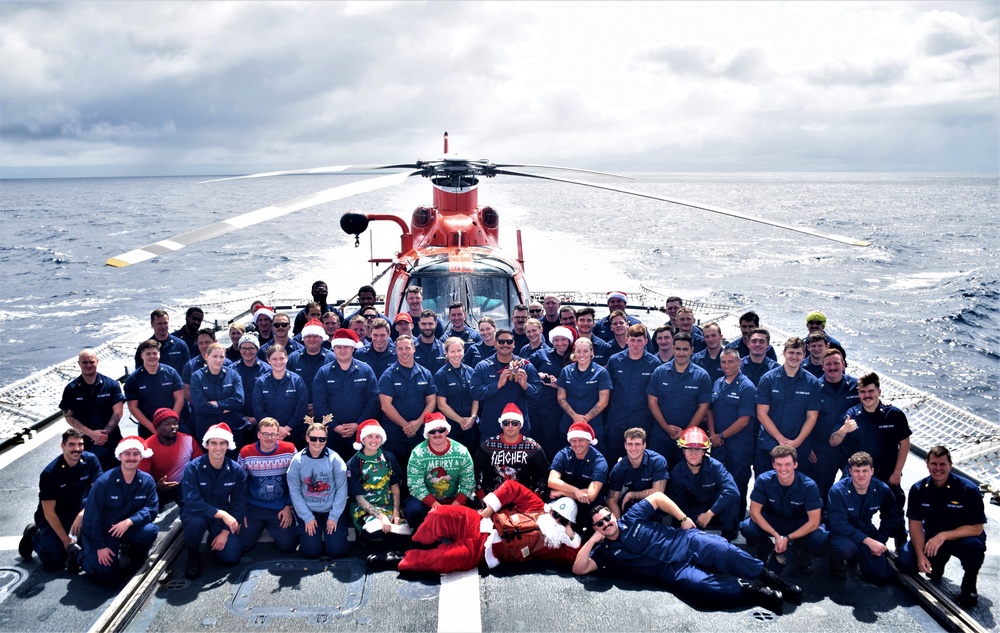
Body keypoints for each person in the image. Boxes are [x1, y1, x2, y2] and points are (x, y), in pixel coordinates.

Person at [573, 493, 801, 613]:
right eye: (599, 524)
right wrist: (593, 540)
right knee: (703, 589)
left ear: (613, 516)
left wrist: (683, 519)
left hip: (686, 541)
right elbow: (579, 568)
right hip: (672, 571)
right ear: (596, 528)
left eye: (606, 518)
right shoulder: (605, 553)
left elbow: (657, 498)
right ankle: (757, 593)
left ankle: (777, 582)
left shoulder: (631, 517)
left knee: (725, 550)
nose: (605, 524)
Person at [393, 480, 581, 574]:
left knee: (444, 560)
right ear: (551, 509)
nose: (556, 520)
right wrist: (490, 509)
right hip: (480, 521)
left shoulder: (557, 544)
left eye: (562, 520)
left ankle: (400, 559)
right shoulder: (537, 506)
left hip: (483, 551)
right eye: (556, 514)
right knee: (440, 514)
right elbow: (511, 487)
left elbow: (575, 558)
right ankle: (416, 543)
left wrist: (569, 532)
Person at [830, 372, 910, 550]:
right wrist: (844, 429)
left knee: (895, 511)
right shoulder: (851, 415)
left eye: (871, 391)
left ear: (879, 391)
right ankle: (851, 546)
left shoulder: (894, 414)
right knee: (847, 508)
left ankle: (900, 547)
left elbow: (904, 443)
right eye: (863, 392)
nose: (867, 395)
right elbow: (833, 441)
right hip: (857, 473)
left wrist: (897, 472)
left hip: (887, 472)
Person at [898, 446, 986, 608]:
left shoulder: (968, 490)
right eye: (934, 464)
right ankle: (938, 564)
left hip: (961, 538)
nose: (938, 468)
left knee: (974, 548)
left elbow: (977, 528)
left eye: (942, 464)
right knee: (905, 562)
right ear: (927, 464)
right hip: (932, 538)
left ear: (950, 465)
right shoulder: (918, 489)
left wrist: (943, 536)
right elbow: (915, 526)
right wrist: (920, 555)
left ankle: (969, 586)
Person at [19, 429, 101, 572]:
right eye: (71, 444)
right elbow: (49, 512)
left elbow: (98, 494)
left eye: (80, 444)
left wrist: (83, 514)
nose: (77, 449)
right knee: (54, 561)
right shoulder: (49, 473)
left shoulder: (91, 461)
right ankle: (33, 536)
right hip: (54, 516)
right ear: (62, 446)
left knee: (89, 547)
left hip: (78, 512)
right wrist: (65, 540)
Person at [80, 436, 159, 582]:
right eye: (127, 454)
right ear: (120, 456)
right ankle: (80, 556)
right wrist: (100, 546)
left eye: (136, 454)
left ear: (141, 456)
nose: (131, 458)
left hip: (126, 528)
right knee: (105, 574)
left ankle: (133, 553)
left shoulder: (147, 481)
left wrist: (130, 521)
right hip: (104, 532)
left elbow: (152, 508)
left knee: (150, 530)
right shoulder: (104, 482)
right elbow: (92, 517)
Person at [740, 445, 828, 575]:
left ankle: (797, 549)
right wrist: (775, 535)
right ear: (773, 465)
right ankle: (767, 546)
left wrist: (788, 538)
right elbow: (754, 513)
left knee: (820, 537)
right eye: (779, 464)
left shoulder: (809, 486)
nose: (783, 469)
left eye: (787, 464)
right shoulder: (764, 480)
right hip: (773, 521)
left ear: (795, 465)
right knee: (747, 527)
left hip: (798, 523)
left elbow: (814, 522)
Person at [180, 423, 247, 579]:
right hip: (197, 513)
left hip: (221, 517)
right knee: (196, 523)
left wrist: (225, 532)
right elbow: (192, 502)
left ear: (228, 445)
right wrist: (222, 514)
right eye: (214, 443)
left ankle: (215, 538)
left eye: (222, 443)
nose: (218, 447)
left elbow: (239, 504)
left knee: (230, 558)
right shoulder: (192, 468)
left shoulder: (236, 471)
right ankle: (193, 554)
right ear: (207, 445)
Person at [754, 337, 821, 480]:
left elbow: (812, 417)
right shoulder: (768, 379)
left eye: (798, 353)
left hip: (798, 448)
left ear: (804, 355)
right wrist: (780, 439)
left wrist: (796, 442)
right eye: (791, 352)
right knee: (764, 489)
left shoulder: (812, 383)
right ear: (783, 353)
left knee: (797, 493)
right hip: (769, 445)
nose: (794, 357)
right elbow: (761, 413)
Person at [826, 451, 900, 583]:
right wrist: (868, 541)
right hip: (842, 534)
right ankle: (839, 561)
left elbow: (891, 516)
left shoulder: (882, 489)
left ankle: (863, 556)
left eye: (865, 470)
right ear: (850, 471)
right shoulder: (837, 491)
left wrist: (881, 540)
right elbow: (839, 524)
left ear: (872, 471)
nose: (861, 475)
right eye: (857, 471)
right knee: (845, 548)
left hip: (866, 529)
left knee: (881, 576)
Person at [646, 332, 713, 469]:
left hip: (689, 440)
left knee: (683, 477)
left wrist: (686, 432)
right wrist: (666, 427)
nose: (681, 353)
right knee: (657, 473)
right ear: (672, 348)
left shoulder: (702, 376)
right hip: (660, 435)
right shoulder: (660, 372)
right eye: (678, 349)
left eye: (685, 349)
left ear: (692, 351)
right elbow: (652, 401)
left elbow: (704, 407)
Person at [312, 328, 379, 461]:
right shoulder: (323, 373)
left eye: (346, 347)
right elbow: (319, 404)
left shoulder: (366, 370)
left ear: (353, 348)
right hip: (332, 434)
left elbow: (372, 402)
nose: (342, 350)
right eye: (339, 347)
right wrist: (335, 426)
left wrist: (358, 425)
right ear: (333, 349)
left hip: (360, 433)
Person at [287, 422, 350, 559]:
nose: (317, 442)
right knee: (311, 552)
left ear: (326, 440)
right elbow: (295, 492)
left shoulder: (335, 460)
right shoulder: (297, 461)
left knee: (336, 551)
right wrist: (307, 517)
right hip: (309, 510)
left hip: (331, 509)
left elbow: (341, 490)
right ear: (307, 438)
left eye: (322, 439)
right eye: (314, 438)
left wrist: (334, 516)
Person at [706, 348, 756, 521]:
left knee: (736, 485)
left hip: (739, 447)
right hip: (718, 445)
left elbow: (744, 420)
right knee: (718, 483)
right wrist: (713, 435)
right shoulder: (718, 383)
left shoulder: (747, 387)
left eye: (730, 361)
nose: (726, 365)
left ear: (739, 362)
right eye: (723, 362)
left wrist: (721, 435)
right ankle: (718, 519)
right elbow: (710, 411)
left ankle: (733, 524)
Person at [403, 413, 475, 529]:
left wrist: (452, 508)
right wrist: (438, 508)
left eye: (441, 430)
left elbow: (468, 484)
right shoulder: (417, 453)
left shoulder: (462, 451)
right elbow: (415, 486)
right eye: (432, 431)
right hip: (427, 502)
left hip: (453, 501)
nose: (437, 434)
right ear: (427, 434)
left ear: (447, 431)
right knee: (413, 510)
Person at [666, 427, 740, 540]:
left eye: (698, 450)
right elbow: (679, 505)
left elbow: (733, 491)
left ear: (704, 451)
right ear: (683, 451)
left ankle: (727, 537)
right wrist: (687, 521)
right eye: (689, 449)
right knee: (680, 533)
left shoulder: (716, 467)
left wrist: (709, 514)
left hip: (714, 510)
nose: (693, 453)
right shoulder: (677, 473)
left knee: (732, 500)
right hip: (690, 511)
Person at [238, 418, 298, 553]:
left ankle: (274, 527)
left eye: (273, 434)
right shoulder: (246, 452)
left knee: (288, 546)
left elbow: (296, 480)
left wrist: (289, 506)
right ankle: (258, 527)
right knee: (242, 545)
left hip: (280, 507)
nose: (269, 438)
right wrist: (241, 510)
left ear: (278, 435)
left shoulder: (289, 449)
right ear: (258, 434)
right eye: (265, 434)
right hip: (254, 507)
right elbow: (239, 485)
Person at [60, 349, 125, 471]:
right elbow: (69, 416)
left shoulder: (111, 385)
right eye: (85, 362)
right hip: (85, 443)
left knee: (117, 474)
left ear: (97, 362)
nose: (88, 365)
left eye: (91, 362)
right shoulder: (71, 389)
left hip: (112, 440)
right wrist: (91, 433)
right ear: (79, 364)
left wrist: (102, 435)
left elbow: (118, 412)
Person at [471, 328, 542, 440]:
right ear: (495, 343)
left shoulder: (525, 365)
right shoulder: (483, 366)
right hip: (492, 427)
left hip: (518, 428)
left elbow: (538, 394)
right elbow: (475, 392)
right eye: (501, 341)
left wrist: (526, 386)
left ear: (513, 344)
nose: (505, 345)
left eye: (509, 342)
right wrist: (497, 385)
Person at [604, 325, 660, 465]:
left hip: (641, 419)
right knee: (611, 457)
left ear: (646, 341)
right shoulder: (615, 361)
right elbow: (608, 390)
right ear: (627, 340)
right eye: (632, 340)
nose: (635, 344)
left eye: (639, 340)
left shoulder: (654, 363)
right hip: (616, 419)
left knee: (640, 460)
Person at [378, 334, 438, 464]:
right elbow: (385, 405)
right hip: (395, 434)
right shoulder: (388, 375)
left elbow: (432, 401)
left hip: (419, 432)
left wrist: (417, 423)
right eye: (400, 349)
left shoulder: (425, 374)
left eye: (407, 348)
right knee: (395, 472)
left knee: (419, 469)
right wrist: (406, 425)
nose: (404, 352)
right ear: (395, 350)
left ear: (414, 349)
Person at [346, 420, 409, 541]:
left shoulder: (388, 457)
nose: (374, 441)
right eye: (370, 436)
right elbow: (360, 500)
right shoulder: (354, 463)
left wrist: (396, 512)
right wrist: (382, 517)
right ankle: (362, 535)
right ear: (363, 439)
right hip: (365, 507)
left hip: (388, 505)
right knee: (376, 530)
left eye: (377, 437)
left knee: (401, 535)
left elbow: (395, 486)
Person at [473, 403, 550, 498]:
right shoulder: (488, 445)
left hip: (523, 497)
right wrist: (481, 496)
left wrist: (535, 497)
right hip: (492, 497)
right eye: (506, 423)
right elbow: (473, 471)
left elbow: (545, 474)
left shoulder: (532, 447)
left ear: (520, 425)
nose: (510, 426)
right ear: (501, 425)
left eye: (514, 423)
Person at [812, 349, 859, 501]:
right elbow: (803, 418)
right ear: (822, 367)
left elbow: (870, 404)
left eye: (836, 363)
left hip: (851, 447)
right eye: (828, 364)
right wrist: (807, 447)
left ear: (843, 364)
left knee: (852, 487)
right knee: (821, 489)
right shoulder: (814, 388)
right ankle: (819, 521)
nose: (833, 367)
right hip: (823, 448)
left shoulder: (857, 387)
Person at [548, 422, 608, 532]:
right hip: (568, 499)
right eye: (573, 441)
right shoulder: (563, 454)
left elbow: (591, 494)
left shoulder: (599, 462)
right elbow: (552, 481)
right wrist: (576, 491)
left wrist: (562, 492)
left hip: (589, 504)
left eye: (581, 440)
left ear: (589, 441)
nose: (577, 444)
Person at [139, 408, 203, 510]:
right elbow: (141, 478)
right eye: (167, 424)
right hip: (157, 488)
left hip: (184, 485)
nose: (173, 427)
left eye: (175, 423)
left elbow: (201, 466)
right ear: (157, 427)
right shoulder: (146, 446)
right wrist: (156, 486)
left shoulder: (188, 440)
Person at [557, 338, 611, 456]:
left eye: (586, 351)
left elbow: (603, 401)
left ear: (592, 352)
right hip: (568, 423)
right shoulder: (566, 371)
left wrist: (584, 419)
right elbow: (561, 397)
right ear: (574, 352)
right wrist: (575, 416)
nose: (582, 355)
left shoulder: (601, 373)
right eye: (578, 351)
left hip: (593, 425)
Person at [529, 326, 576, 458]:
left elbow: (578, 384)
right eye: (556, 340)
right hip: (535, 406)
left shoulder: (575, 359)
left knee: (551, 443)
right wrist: (538, 374)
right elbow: (525, 367)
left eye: (563, 340)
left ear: (569, 341)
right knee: (533, 442)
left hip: (556, 410)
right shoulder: (542, 354)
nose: (560, 343)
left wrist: (558, 385)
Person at [125, 339, 185, 439]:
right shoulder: (133, 379)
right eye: (148, 354)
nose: (152, 356)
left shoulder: (171, 373)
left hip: (172, 425)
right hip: (147, 427)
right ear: (142, 356)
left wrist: (171, 423)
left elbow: (179, 399)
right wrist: (152, 428)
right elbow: (133, 407)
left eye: (154, 353)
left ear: (159, 354)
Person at [189, 342, 245, 447]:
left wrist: (217, 403)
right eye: (214, 356)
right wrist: (225, 409)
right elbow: (200, 406)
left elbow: (239, 401)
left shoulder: (233, 374)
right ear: (206, 357)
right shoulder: (197, 377)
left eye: (221, 357)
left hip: (232, 428)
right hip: (207, 429)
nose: (218, 360)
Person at [252, 345, 309, 448]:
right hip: (268, 435)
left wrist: (286, 429)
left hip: (293, 432)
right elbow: (258, 410)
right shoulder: (261, 382)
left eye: (281, 358)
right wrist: (274, 431)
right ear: (268, 360)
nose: (278, 362)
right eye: (274, 359)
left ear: (287, 358)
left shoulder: (297, 380)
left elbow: (301, 408)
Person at [606, 427, 667, 520]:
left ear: (644, 445)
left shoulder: (657, 461)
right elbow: (611, 499)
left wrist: (631, 494)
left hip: (654, 503)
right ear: (625, 445)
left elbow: (658, 492)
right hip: (631, 504)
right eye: (630, 444)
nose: (633, 448)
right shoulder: (618, 468)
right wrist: (618, 525)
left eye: (637, 444)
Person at [434, 337, 480, 452]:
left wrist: (473, 417)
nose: (456, 354)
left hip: (471, 425)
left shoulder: (470, 371)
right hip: (451, 427)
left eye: (459, 350)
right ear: (446, 353)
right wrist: (460, 420)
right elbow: (441, 404)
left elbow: (475, 397)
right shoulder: (441, 375)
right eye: (452, 351)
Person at [286, 318, 335, 416]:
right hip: (297, 412)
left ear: (322, 338)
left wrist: (318, 406)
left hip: (327, 411)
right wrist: (302, 405)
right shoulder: (292, 358)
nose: (312, 339)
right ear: (303, 338)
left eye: (315, 336)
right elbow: (288, 385)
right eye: (308, 336)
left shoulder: (332, 358)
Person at [231, 333, 270, 429]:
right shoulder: (232, 370)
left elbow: (270, 397)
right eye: (244, 348)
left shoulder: (267, 370)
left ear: (257, 349)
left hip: (261, 421)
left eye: (251, 348)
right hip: (237, 420)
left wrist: (258, 418)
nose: (247, 351)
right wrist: (240, 418)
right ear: (239, 350)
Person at [134, 308, 190, 375]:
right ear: (152, 324)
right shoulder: (143, 348)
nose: (163, 326)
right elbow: (139, 374)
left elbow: (187, 372)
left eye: (165, 323)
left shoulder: (180, 345)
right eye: (159, 323)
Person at [414, 309, 447, 374]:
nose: (427, 327)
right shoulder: (411, 348)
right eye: (424, 324)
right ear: (419, 324)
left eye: (430, 324)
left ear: (436, 324)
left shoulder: (443, 349)